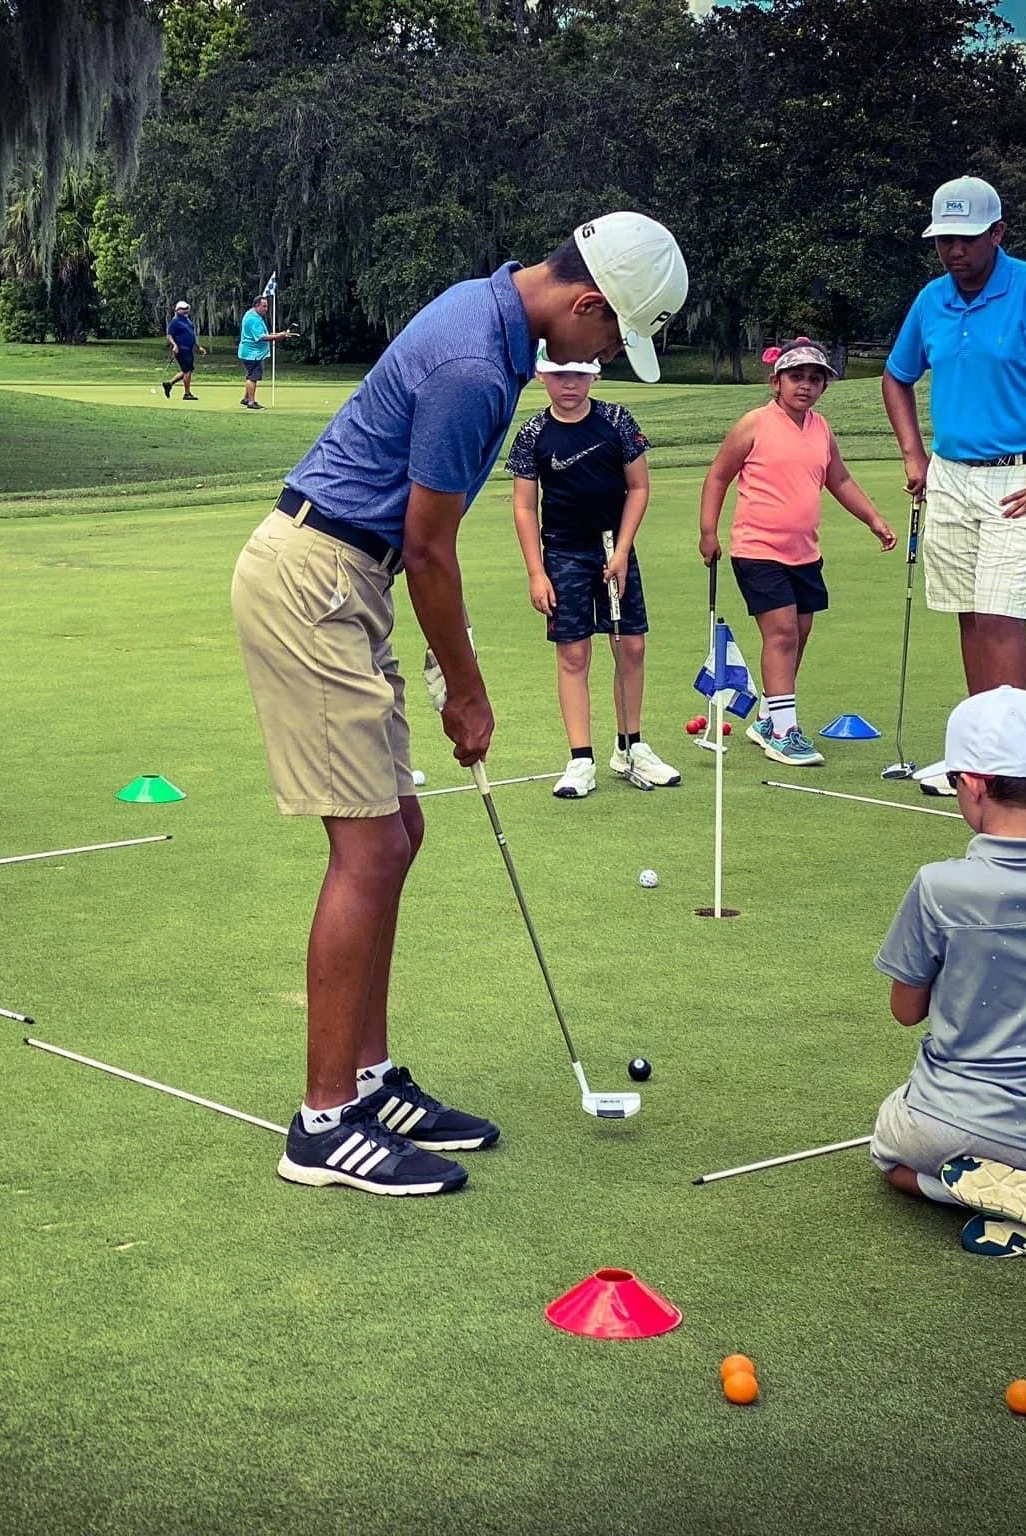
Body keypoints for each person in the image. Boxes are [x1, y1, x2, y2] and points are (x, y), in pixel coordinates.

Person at [232, 213, 687, 1196]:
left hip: (353, 574)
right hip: (317, 574)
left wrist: (450, 652)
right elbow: (429, 543)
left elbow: (418, 549)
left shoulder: (488, 320)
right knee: (369, 847)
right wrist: (467, 693)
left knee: (397, 830)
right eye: (611, 337)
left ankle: (367, 1079)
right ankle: (321, 1126)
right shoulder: (477, 365)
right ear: (585, 303)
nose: (602, 355)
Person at [868, 686, 1026, 1258]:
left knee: (886, 1149)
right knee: (935, 1135)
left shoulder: (940, 885)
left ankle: (969, 1192)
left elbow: (905, 1011)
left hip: (947, 1126)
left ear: (976, 783)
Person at [881, 176, 1026, 704]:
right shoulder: (932, 299)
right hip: (951, 474)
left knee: (1001, 613)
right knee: (971, 614)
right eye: (944, 240)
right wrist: (914, 455)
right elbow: (896, 375)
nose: (954, 250)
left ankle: (1008, 755)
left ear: (998, 232)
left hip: (1022, 476)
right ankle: (980, 746)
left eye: (968, 238)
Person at [698, 338, 895, 769]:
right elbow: (717, 478)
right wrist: (708, 532)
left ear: (824, 386)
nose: (805, 386)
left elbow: (839, 480)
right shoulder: (754, 424)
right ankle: (785, 732)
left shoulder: (821, 429)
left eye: (815, 379)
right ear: (776, 382)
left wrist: (874, 520)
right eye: (796, 377)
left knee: (799, 634)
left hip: (804, 554)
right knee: (782, 633)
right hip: (757, 549)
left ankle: (769, 717)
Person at [508, 345, 680, 797]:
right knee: (573, 654)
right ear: (543, 376)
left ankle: (630, 747)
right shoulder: (532, 433)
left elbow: (639, 487)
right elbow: (525, 506)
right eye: (560, 374)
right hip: (563, 553)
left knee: (631, 646)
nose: (570, 384)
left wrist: (622, 551)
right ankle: (580, 759)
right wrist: (535, 572)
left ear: (594, 377)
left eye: (579, 375)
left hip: (613, 548)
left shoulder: (617, 420)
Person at [236, 293, 294, 410]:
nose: (266, 309)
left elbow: (264, 334)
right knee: (253, 377)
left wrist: (279, 334)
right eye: (264, 306)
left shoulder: (252, 315)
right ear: (256, 305)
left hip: (251, 352)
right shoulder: (253, 319)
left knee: (251, 375)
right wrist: (278, 337)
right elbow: (261, 337)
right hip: (252, 354)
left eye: (267, 306)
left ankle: (246, 398)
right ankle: (251, 402)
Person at [163, 299, 206, 399]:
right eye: (183, 309)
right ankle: (187, 394)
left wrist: (198, 347)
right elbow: (169, 336)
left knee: (187, 370)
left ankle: (169, 384)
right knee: (187, 371)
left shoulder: (188, 321)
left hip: (189, 349)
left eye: (187, 308)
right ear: (177, 310)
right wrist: (175, 345)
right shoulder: (175, 322)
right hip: (181, 349)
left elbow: (191, 335)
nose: (186, 310)